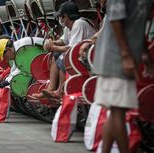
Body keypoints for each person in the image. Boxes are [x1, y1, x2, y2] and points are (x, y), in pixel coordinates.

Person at [92, 0, 154, 153]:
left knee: (115, 112)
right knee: (118, 111)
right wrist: (126, 55)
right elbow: (115, 20)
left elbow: (137, 27)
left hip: (125, 57)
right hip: (115, 57)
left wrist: (144, 53)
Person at [32, 1, 96, 99]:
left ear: (65, 17)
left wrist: (54, 47)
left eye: (61, 17)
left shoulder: (79, 23)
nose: (60, 19)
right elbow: (63, 40)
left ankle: (59, 91)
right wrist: (53, 43)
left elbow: (71, 47)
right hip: (78, 53)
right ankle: (51, 88)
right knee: (56, 54)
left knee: (63, 58)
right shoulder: (68, 27)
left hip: (89, 53)